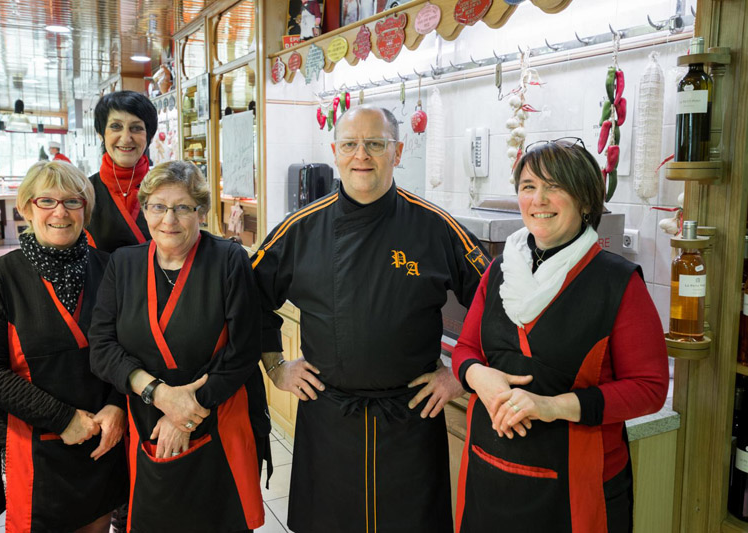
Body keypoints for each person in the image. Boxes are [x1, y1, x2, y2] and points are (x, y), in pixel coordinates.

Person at [251, 106, 492, 533]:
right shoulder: (302, 229)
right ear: (335, 152)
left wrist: (461, 373)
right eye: (350, 144)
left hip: (411, 420)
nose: (362, 155)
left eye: (376, 144)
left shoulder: (434, 227)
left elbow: (497, 305)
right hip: (328, 419)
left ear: (397, 152)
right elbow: (247, 300)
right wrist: (275, 367)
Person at [452, 139, 669, 533]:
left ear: (586, 201)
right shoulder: (500, 271)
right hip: (489, 471)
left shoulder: (616, 283)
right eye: (529, 186)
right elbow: (467, 349)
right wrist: (478, 376)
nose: (539, 199)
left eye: (555, 186)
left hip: (575, 487)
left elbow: (650, 388)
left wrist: (552, 406)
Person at [89, 160, 268, 532]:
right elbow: (101, 348)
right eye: (158, 206)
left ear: (200, 212)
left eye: (182, 207)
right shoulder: (124, 265)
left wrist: (187, 411)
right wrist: (159, 395)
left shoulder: (228, 260)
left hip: (219, 417)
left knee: (221, 520)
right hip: (148, 419)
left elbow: (244, 350)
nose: (168, 219)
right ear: (145, 210)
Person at [0, 161, 128, 532]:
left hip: (100, 440)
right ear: (26, 208)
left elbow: (130, 348)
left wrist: (117, 406)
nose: (61, 212)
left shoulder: (109, 269)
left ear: (85, 210)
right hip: (34, 445)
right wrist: (64, 419)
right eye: (46, 201)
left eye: (73, 201)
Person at [86, 90, 157, 252]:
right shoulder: (82, 191)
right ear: (101, 134)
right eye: (116, 126)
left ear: (149, 136)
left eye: (136, 128)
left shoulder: (167, 189)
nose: (126, 138)